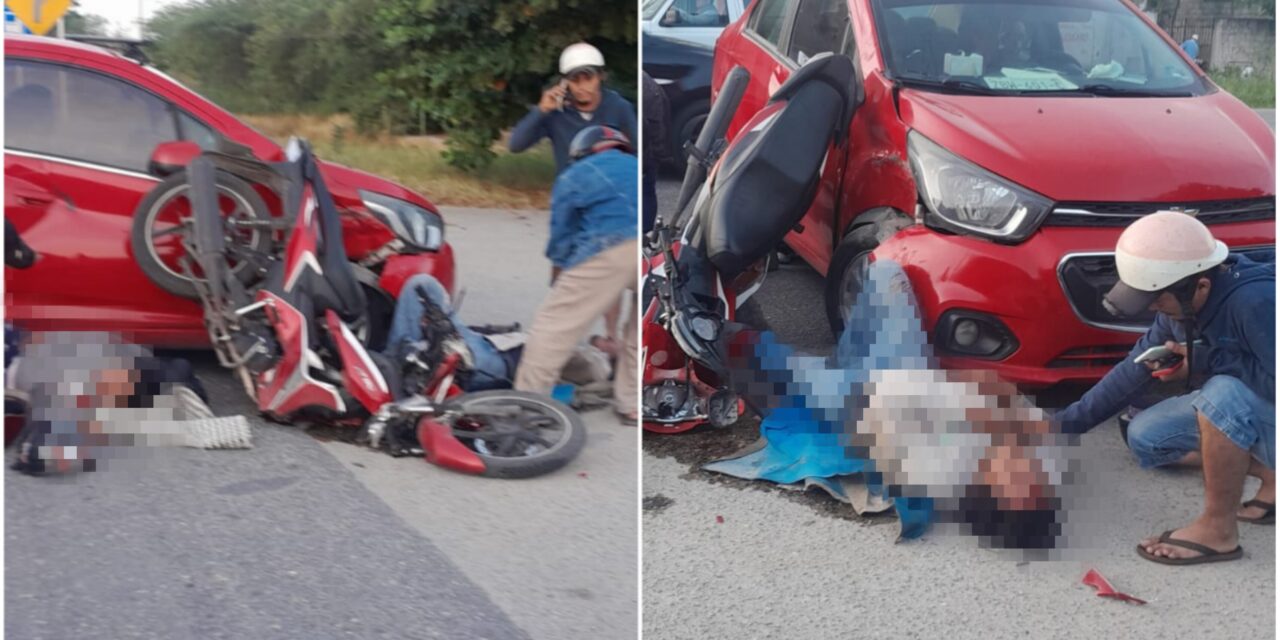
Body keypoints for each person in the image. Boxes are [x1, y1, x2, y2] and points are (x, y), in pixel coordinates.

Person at [1055, 211, 1275, 565]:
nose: (1152, 308)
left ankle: (1218, 531)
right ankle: (1271, 477)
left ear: (1200, 285)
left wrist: (1206, 361)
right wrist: (1058, 431)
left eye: (1156, 299)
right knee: (1147, 435)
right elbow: (1132, 371)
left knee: (1223, 396)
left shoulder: (1256, 301)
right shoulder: (1180, 305)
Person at [514, 126, 639, 424]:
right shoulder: (638, 166)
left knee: (552, 328)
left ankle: (530, 406)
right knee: (639, 332)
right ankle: (632, 404)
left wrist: (559, 279)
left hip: (606, 249)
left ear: (582, 152)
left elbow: (561, 240)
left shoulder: (575, 175)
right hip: (649, 251)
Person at [508, 42, 637, 174]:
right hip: (571, 190)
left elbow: (638, 153)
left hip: (610, 189)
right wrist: (541, 110)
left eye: (588, 78)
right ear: (565, 82)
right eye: (575, 80)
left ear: (600, 76)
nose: (582, 86)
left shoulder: (619, 107)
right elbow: (516, 145)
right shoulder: (557, 113)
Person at [641, 72, 671, 232]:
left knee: (645, 192)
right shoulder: (649, 84)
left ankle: (644, 234)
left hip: (647, 151)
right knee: (647, 192)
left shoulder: (646, 87)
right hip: (651, 149)